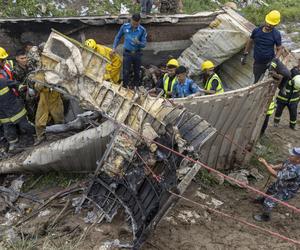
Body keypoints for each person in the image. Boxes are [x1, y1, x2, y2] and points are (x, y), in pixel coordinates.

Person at [254, 147, 300, 222]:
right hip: (282, 183)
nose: (290, 156)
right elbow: (283, 164)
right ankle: (262, 200)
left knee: (270, 201)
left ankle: (265, 216)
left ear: (298, 160)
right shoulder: (292, 160)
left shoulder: (296, 171)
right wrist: (274, 167)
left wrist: (265, 164)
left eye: (292, 155)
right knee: (270, 190)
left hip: (287, 190)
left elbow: (276, 175)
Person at [241, 10, 283, 83]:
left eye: (272, 24)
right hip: (259, 63)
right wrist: (245, 54)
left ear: (276, 25)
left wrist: (274, 61)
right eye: (268, 22)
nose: (269, 25)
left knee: (287, 74)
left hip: (270, 61)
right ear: (265, 20)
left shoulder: (276, 34)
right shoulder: (256, 31)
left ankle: (281, 87)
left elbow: (279, 49)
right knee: (256, 80)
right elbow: (250, 41)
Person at [111, 13, 147, 88]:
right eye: (133, 23)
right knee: (126, 72)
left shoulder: (142, 30)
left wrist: (138, 42)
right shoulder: (124, 27)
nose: (135, 25)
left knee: (137, 72)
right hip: (127, 53)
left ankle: (136, 87)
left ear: (139, 22)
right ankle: (125, 87)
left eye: (137, 24)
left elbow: (144, 44)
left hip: (137, 53)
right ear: (131, 20)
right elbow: (117, 37)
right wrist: (114, 48)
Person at [0, 78, 34, 153]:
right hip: (3, 115)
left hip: (15, 109)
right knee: (9, 131)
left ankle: (31, 138)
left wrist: (22, 87)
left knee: (25, 125)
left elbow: (16, 84)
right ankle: (14, 146)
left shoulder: (3, 81)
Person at [13, 49, 37, 122]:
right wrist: (27, 92)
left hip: (35, 91)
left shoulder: (30, 66)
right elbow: (17, 85)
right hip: (24, 95)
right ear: (17, 58)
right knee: (30, 112)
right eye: (22, 58)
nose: (24, 60)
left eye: (25, 58)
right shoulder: (15, 71)